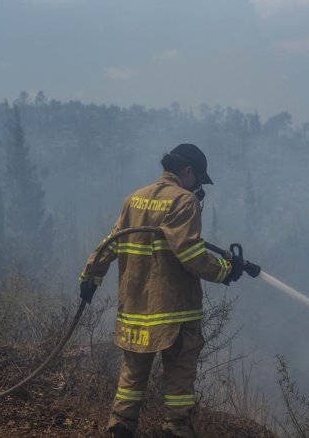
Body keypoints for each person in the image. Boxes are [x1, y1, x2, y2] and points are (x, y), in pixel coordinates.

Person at [79, 143, 243, 438]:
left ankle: (120, 426)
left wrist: (89, 278)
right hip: (174, 313)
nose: (198, 188)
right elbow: (191, 254)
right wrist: (226, 271)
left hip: (136, 309)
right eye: (198, 180)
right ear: (188, 171)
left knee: (132, 374)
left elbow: (111, 242)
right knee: (180, 377)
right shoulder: (184, 202)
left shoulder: (135, 199)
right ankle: (176, 429)